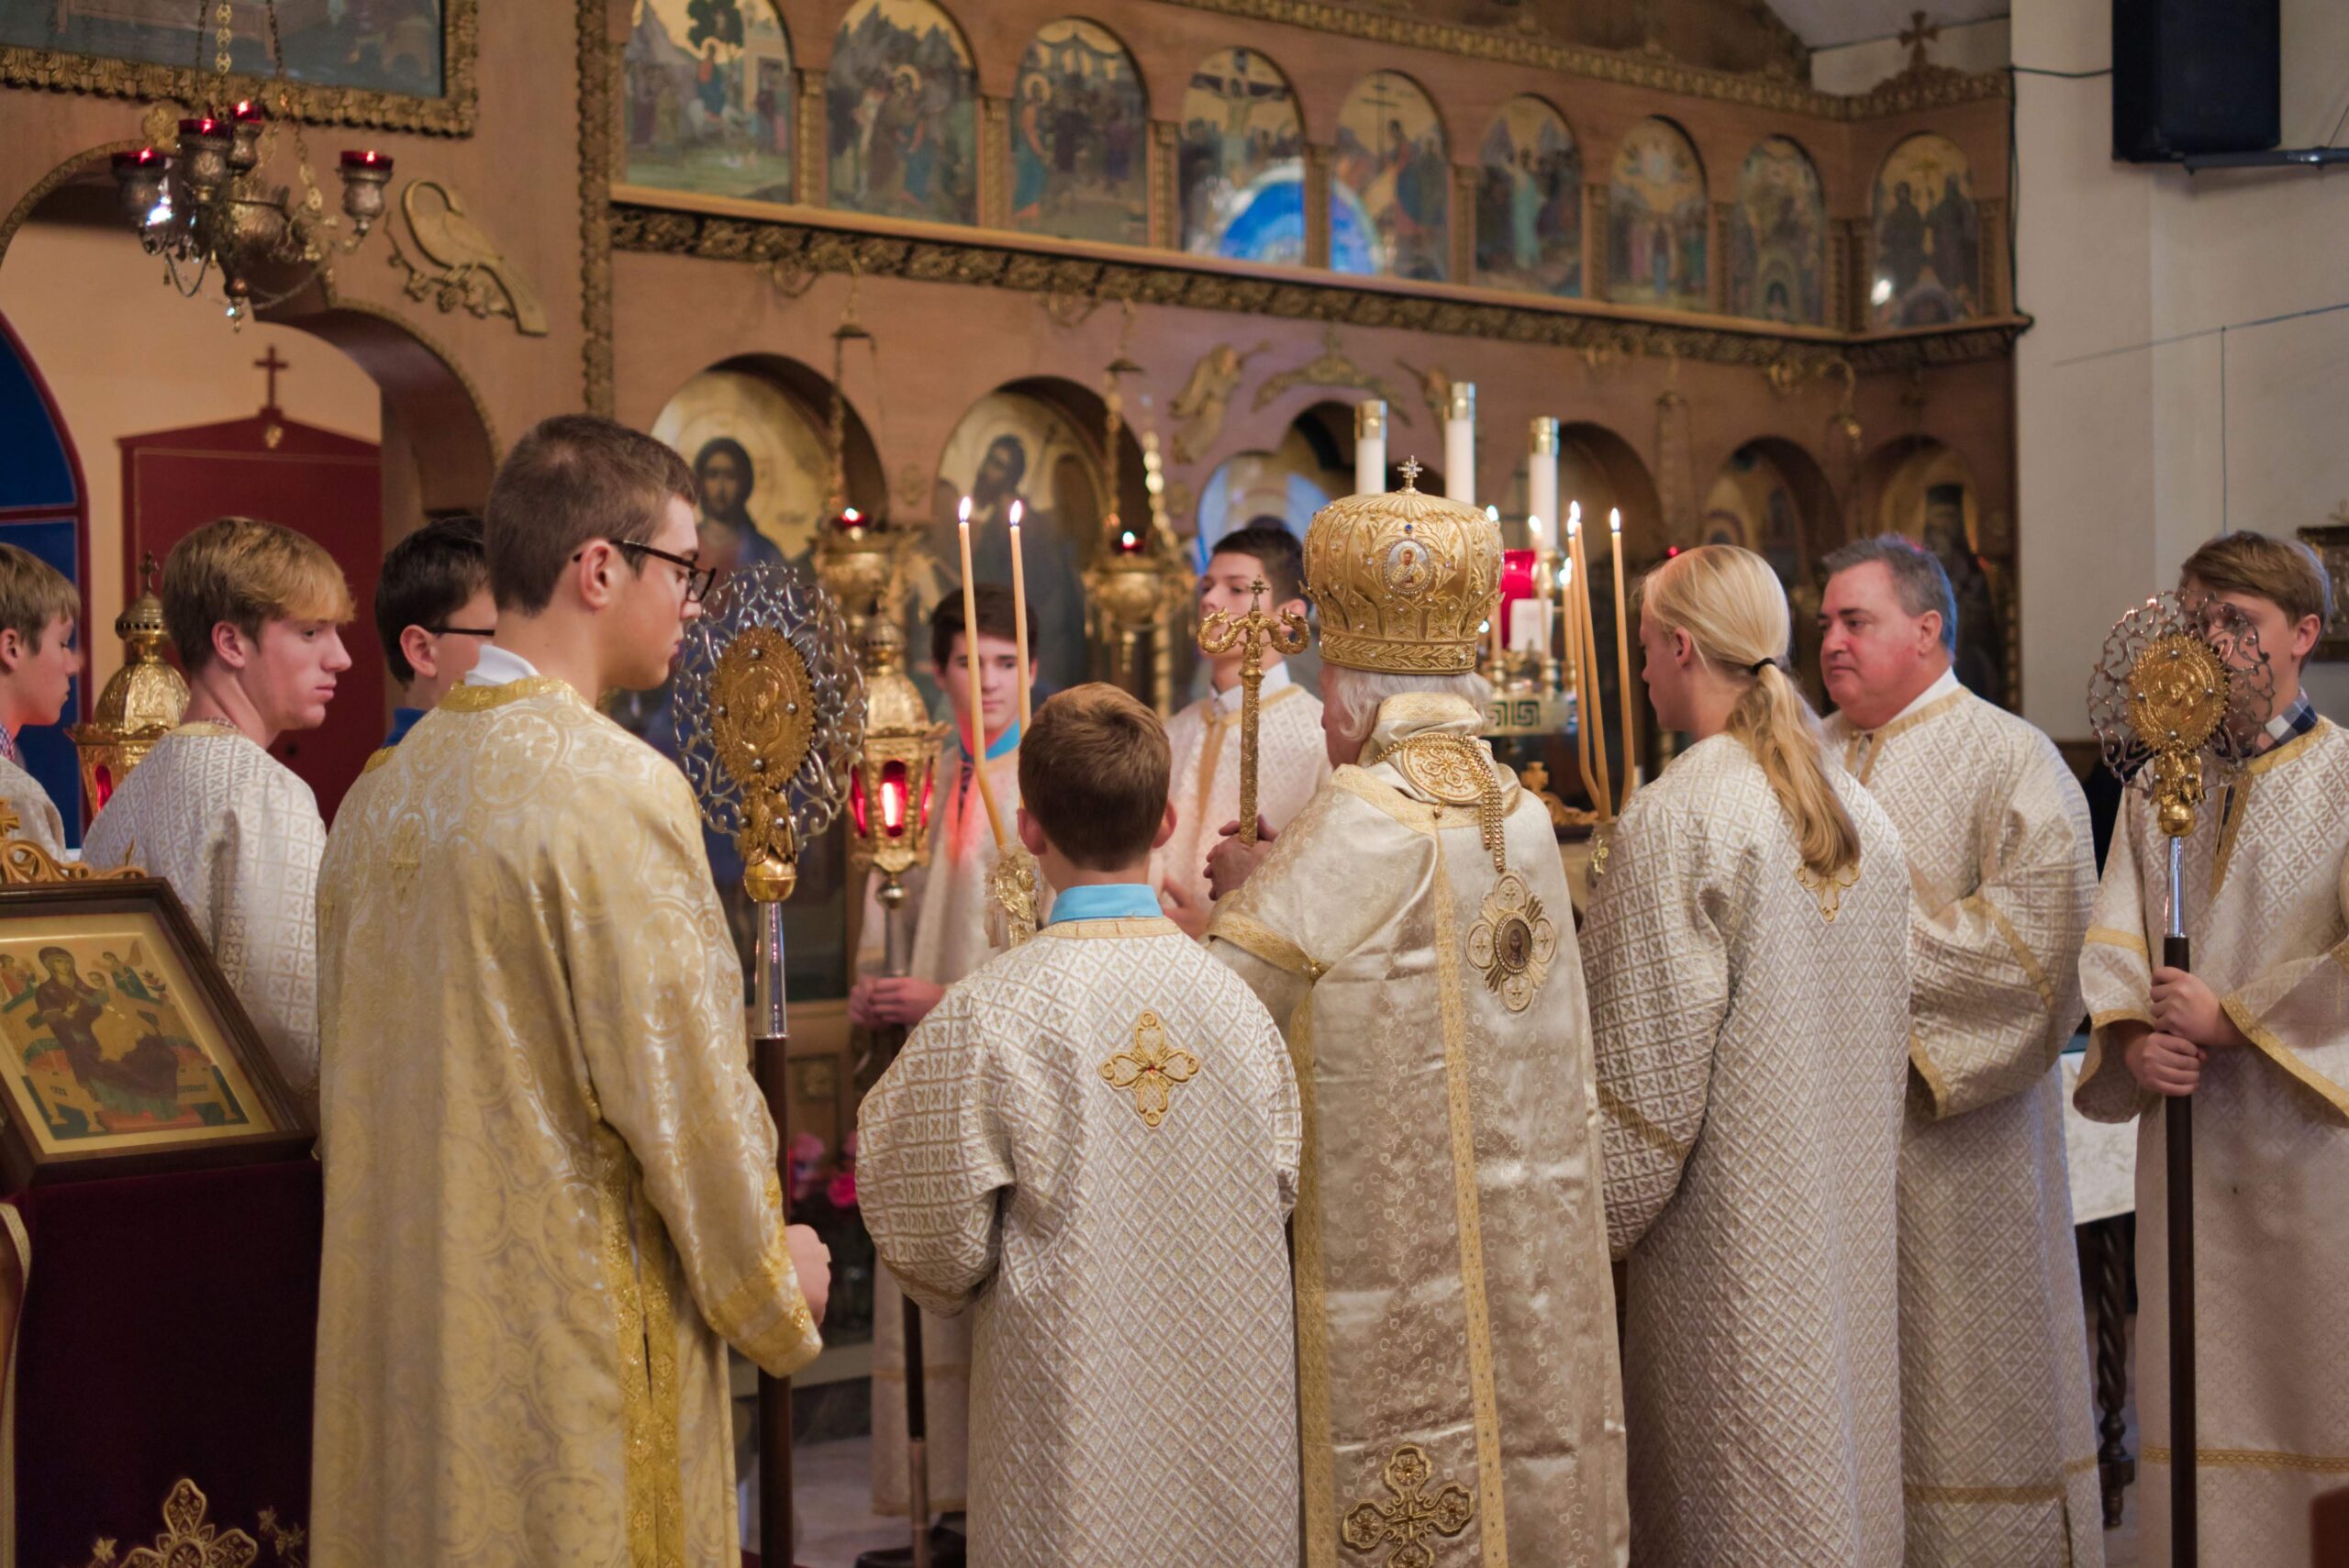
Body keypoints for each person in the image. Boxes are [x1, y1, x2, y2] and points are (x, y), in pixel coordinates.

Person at [310, 414, 830, 1566]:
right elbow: (682, 1093)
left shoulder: (376, 799)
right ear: (601, 567)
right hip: (569, 1359)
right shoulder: (612, 790)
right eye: (684, 569)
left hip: (404, 1351)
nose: (694, 604)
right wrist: (770, 1283)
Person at [1204, 477, 1630, 1567]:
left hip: (1385, 1254)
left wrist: (1243, 888)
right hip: (1520, 1244)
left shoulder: (1358, 817)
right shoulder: (1521, 814)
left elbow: (1228, 1011)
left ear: (1344, 692)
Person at [859, 683, 1300, 1566]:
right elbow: (1281, 1188)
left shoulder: (993, 1011)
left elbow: (924, 1229)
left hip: (1068, 1415)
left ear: (1028, 829)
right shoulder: (1239, 1003)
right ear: (1167, 821)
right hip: (1228, 1416)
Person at [1585, 543, 1909, 1568]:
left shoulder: (1681, 812)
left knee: (1743, 1501)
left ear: (1682, 647)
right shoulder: (1863, 809)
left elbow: (1641, 1096)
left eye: (1642, 648)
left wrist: (1572, 1227)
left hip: (1725, 1254)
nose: (1639, 671)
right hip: (1847, 1227)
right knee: (1834, 1488)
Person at [1819, 537, 2102, 1566]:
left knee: (1968, 1380)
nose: (1832, 642)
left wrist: (1842, 944)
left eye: (1857, 620)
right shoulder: (1801, 754)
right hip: (1830, 1141)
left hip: (1960, 1149)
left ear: (1928, 629)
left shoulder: (2008, 756)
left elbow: (2037, 949)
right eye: (1825, 624)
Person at [2076, 530, 2348, 1568]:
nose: (2210, 643)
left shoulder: (2345, 774)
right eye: (2196, 619)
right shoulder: (2154, 789)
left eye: (2238, 620)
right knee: (2191, 1398)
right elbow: (2113, 938)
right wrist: (2139, 1041)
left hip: (2312, 1159)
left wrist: (2234, 1017)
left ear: (2302, 636)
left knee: (2313, 1395)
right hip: (2189, 1156)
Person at [847, 583, 1035, 1530]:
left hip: (1006, 1082)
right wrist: (873, 983)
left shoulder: (1040, 784)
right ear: (939, 669)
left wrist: (943, 1000)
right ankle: (942, 1499)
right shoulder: (923, 774)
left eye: (1007, 662)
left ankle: (1001, 1497)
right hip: (918, 1071)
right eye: (971, 661)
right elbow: (894, 909)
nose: (989, 681)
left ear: (1033, 670)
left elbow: (1050, 958)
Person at [83, 517, 353, 1118]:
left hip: (140, 1118)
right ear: (232, 643)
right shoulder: (265, 792)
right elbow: (294, 1030)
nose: (341, 657)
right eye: (311, 632)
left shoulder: (125, 795)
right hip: (247, 1147)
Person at [1154, 523, 1329, 938]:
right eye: (1207, 587)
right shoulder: (1169, 734)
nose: (1210, 601)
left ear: (1289, 617)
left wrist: (1217, 931)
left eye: (1236, 589)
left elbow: (1324, 895)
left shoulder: (1320, 740)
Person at [0, 542, 82, 859]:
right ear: (12, 648)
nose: (72, 664)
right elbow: (55, 911)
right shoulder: (15, 798)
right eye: (62, 643)